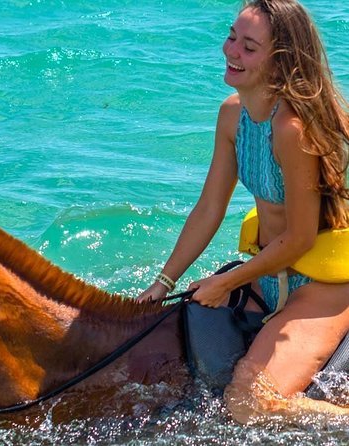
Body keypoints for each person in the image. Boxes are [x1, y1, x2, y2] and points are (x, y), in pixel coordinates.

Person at [137, 0, 349, 422]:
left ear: (280, 63)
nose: (232, 51)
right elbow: (209, 208)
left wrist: (226, 282)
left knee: (251, 403)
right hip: (269, 271)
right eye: (232, 36)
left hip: (322, 285)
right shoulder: (233, 115)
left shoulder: (292, 130)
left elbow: (303, 238)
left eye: (249, 46)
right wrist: (163, 282)